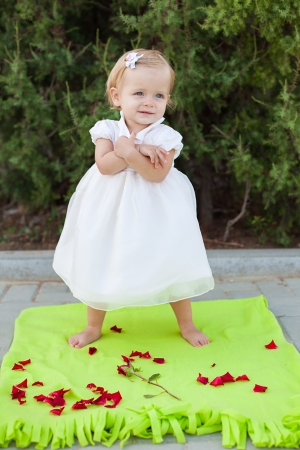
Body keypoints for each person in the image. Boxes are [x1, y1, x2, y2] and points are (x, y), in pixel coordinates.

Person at [53, 49, 214, 349]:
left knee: (170, 257)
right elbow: (105, 166)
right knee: (100, 257)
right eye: (139, 92)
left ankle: (187, 324)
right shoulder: (108, 130)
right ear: (117, 97)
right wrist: (132, 151)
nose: (148, 102)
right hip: (108, 206)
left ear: (167, 100)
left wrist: (131, 151)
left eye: (159, 96)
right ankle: (92, 326)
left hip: (156, 209)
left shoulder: (165, 137)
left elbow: (156, 176)